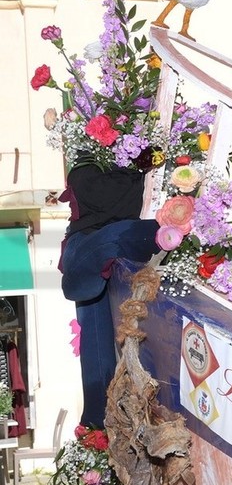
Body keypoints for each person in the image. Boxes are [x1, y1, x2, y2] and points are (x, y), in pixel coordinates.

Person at [59, 163, 161, 429]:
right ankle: (98, 419)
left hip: (109, 244)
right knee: (94, 339)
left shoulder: (109, 169)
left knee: (95, 340)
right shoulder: (85, 171)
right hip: (87, 247)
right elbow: (108, 203)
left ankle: (98, 418)